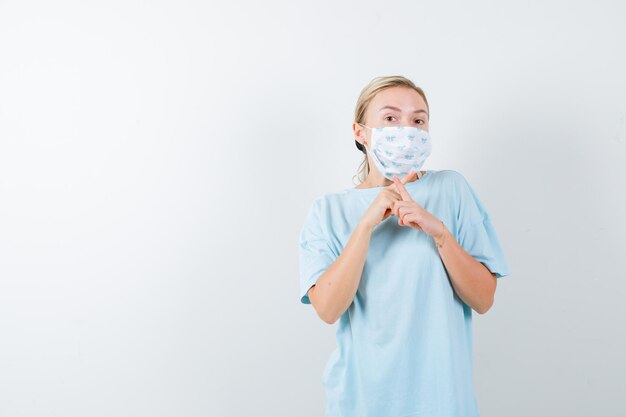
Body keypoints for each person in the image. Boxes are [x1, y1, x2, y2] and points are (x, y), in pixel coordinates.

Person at [297, 75, 511, 417]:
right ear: (360, 132)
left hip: (442, 400)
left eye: (418, 120)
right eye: (391, 118)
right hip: (361, 401)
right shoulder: (328, 210)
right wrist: (366, 225)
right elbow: (328, 309)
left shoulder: (451, 189)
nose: (407, 129)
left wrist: (440, 233)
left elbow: (484, 298)